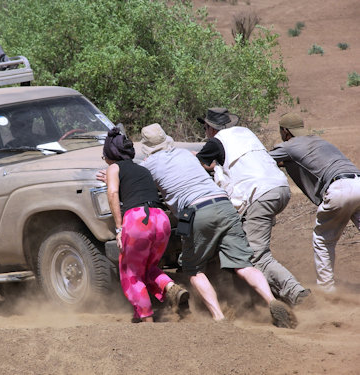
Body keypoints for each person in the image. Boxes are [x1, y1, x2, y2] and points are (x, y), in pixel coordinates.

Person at [139, 123, 297, 328]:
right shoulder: (185, 154)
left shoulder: (148, 164)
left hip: (196, 211)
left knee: (193, 269)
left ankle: (219, 318)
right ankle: (272, 301)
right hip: (224, 205)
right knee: (243, 264)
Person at [196, 107, 310, 306]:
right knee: (249, 243)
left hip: (260, 194)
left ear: (211, 128)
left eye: (205, 126)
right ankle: (258, 296)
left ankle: (297, 294)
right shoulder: (246, 133)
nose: (205, 131)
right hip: (280, 188)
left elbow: (196, 165)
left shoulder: (216, 141)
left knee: (255, 256)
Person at [101, 127, 189, 323]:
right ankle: (171, 287)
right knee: (148, 268)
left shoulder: (113, 168)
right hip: (161, 219)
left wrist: (118, 228)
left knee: (131, 272)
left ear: (110, 154)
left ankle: (146, 319)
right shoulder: (142, 168)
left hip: (138, 221)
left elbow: (113, 193)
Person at [269, 113, 360, 293]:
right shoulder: (319, 141)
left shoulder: (288, 146)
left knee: (323, 240)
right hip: (358, 180)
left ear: (285, 131)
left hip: (339, 187)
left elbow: (262, 158)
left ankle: (327, 292)